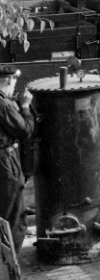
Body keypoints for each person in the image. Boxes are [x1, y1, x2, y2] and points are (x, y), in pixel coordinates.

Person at [0, 65, 34, 253]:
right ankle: (9, 266)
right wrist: (26, 106)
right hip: (5, 161)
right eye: (14, 81)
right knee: (14, 216)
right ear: (9, 80)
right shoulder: (4, 105)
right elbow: (25, 131)